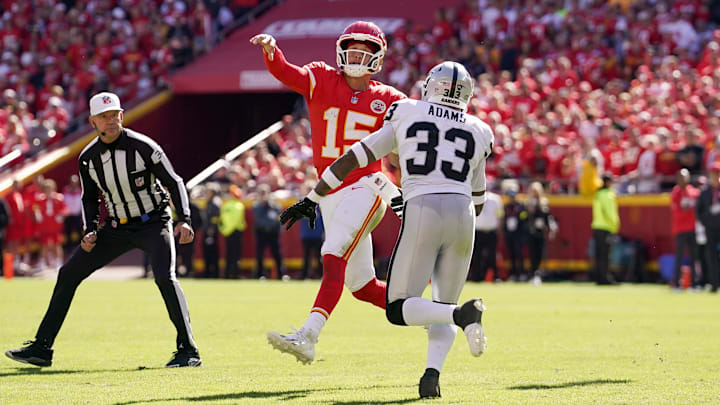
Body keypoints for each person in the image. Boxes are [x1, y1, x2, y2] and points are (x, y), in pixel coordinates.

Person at [279, 62, 492, 399]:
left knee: (399, 307)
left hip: (423, 206)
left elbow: (354, 157)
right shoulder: (480, 128)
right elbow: (479, 200)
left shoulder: (407, 111)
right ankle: (431, 377)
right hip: (464, 214)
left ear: (430, 87)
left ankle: (462, 315)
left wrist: (313, 197)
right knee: (443, 297)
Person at [5, 92, 201, 368]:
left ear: (121, 116)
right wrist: (89, 229)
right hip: (116, 227)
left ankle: (188, 350)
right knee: (68, 273)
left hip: (153, 222)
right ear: (92, 121)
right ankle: (42, 348)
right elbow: (89, 197)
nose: (111, 121)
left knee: (165, 278)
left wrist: (185, 219)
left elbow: (175, 181)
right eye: (104, 117)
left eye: (114, 115)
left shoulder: (144, 147)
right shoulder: (87, 158)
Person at [251, 20, 406, 363]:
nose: (357, 56)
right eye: (352, 49)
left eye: (365, 52)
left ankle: (308, 335)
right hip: (330, 190)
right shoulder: (321, 78)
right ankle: (438, 313)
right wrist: (272, 52)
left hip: (366, 187)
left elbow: (409, 143)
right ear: (340, 51)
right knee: (362, 288)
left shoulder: (391, 99)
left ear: (378, 58)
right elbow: (288, 74)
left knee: (332, 253)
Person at [670, 169, 699, 289]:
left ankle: (694, 284)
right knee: (679, 256)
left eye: (684, 176)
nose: (682, 179)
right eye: (680, 177)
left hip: (692, 228)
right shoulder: (676, 192)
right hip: (680, 229)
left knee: (694, 257)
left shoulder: (694, 191)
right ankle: (676, 283)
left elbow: (696, 210)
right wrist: (687, 211)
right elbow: (677, 211)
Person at [525, 182, 558, 284]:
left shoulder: (543, 202)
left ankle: (537, 274)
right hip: (531, 231)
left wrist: (551, 229)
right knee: (532, 254)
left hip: (540, 232)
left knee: (540, 254)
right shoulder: (528, 202)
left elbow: (547, 216)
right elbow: (525, 217)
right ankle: (532, 274)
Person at [695, 162, 720, 293]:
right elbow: (698, 211)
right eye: (713, 174)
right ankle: (714, 284)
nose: (715, 177)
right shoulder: (705, 192)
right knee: (711, 257)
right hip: (710, 229)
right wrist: (707, 222)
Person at [591, 175, 620, 285]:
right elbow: (610, 213)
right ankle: (605, 278)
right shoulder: (608, 195)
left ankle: (599, 277)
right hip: (606, 227)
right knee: (606, 255)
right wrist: (615, 226)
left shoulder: (597, 194)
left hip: (597, 226)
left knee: (598, 254)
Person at [252, 184, 284, 279]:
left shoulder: (274, 205)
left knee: (277, 254)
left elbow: (278, 217)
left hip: (273, 232)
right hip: (261, 232)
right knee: (260, 254)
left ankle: (280, 274)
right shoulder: (257, 205)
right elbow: (257, 215)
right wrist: (263, 203)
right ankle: (259, 274)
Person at [470, 190, 502, 282]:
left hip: (491, 231)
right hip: (478, 231)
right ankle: (476, 277)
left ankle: (495, 277)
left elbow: (499, 215)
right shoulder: (473, 197)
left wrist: (499, 229)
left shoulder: (495, 199)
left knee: (492, 255)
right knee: (477, 255)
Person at [218, 185, 246, 279]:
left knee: (229, 254)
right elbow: (236, 221)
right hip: (236, 232)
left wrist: (224, 230)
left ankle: (227, 274)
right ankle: (235, 274)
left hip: (228, 232)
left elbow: (222, 220)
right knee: (236, 254)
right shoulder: (239, 205)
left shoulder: (225, 205)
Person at [503, 183, 527, 281]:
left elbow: (524, 217)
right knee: (511, 254)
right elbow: (503, 218)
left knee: (519, 254)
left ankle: (521, 273)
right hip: (509, 234)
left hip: (518, 233)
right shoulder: (506, 206)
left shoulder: (521, 206)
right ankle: (513, 274)